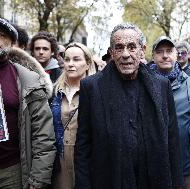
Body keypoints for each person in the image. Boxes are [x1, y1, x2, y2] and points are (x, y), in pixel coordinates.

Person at [74, 23, 183, 189]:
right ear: (111, 52)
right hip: (108, 180)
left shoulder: (161, 86)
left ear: (142, 50)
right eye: (119, 48)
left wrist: (176, 182)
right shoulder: (92, 87)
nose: (125, 54)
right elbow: (83, 144)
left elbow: (172, 138)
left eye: (132, 47)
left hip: (152, 179)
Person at [0, 16, 56, 189]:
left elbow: (43, 135)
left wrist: (38, 179)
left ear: (12, 42)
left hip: (11, 173)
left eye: (1, 35)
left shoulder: (30, 81)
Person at [149, 36, 190, 189]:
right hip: (151, 165)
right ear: (153, 56)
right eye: (159, 52)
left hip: (185, 164)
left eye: (169, 51)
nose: (165, 55)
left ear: (176, 54)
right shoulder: (143, 83)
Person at [50, 42, 96, 189]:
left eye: (76, 59)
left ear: (88, 63)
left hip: (87, 157)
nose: (70, 64)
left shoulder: (97, 92)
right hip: (59, 158)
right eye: (67, 59)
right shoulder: (53, 92)